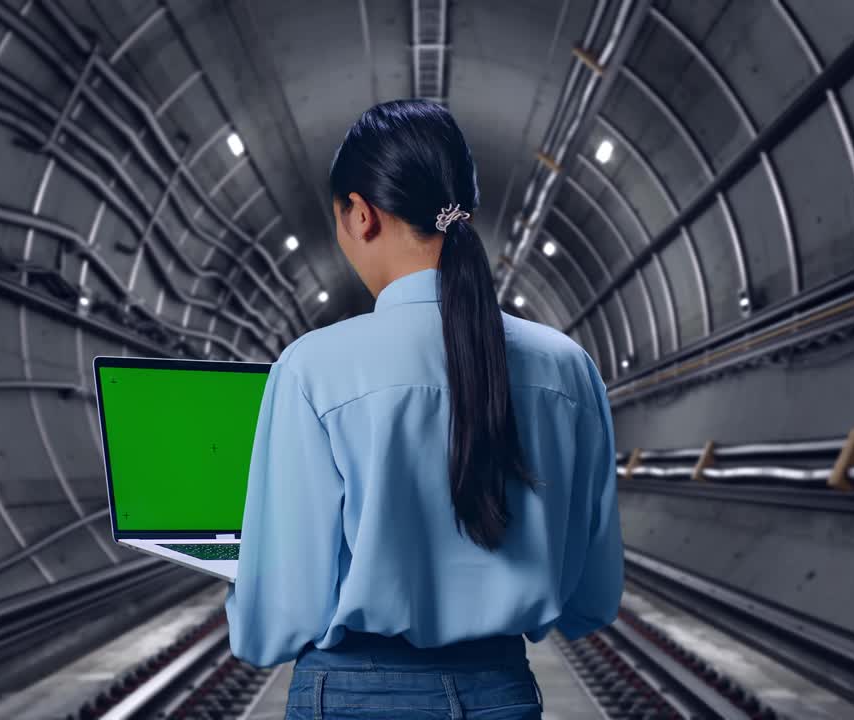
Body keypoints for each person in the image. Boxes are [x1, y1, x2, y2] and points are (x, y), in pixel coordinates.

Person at [224, 99, 623, 720]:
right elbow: (590, 601)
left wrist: (249, 583)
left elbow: (274, 626)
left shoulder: (312, 370)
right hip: (502, 694)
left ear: (361, 215)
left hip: (354, 697)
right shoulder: (567, 369)